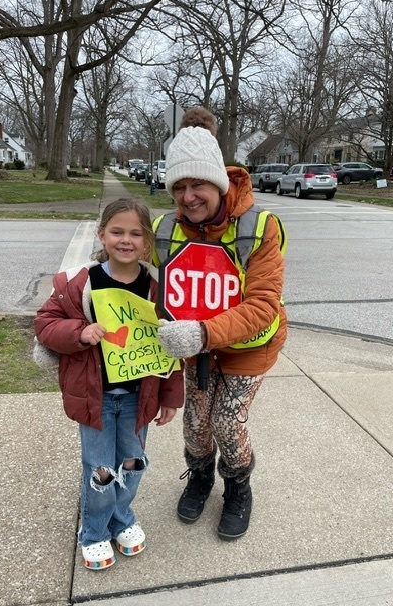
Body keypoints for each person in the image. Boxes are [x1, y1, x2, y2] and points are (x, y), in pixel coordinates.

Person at [154, 107, 287, 540]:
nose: (189, 197)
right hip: (197, 347)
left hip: (250, 345)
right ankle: (200, 477)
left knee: (227, 423)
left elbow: (264, 304)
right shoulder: (164, 230)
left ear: (219, 182)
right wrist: (66, 315)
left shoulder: (260, 227)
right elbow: (118, 270)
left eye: (199, 185)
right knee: (195, 422)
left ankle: (238, 486)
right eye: (179, 187)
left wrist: (205, 332)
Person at [34, 198, 184, 570]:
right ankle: (95, 531)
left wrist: (170, 396)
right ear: (102, 234)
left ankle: (121, 517)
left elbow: (172, 346)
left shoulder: (157, 289)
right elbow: (45, 324)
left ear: (147, 243)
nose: (126, 240)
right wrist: (80, 332)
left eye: (136, 234)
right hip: (95, 396)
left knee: (133, 463)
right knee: (100, 467)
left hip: (139, 397)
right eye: (117, 231)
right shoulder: (78, 284)